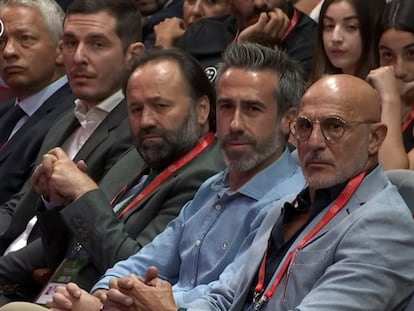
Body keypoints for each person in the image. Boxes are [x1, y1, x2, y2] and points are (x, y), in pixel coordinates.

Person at [2, 42, 307, 311]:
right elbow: (138, 263)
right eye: (226, 106)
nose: (235, 123)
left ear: (288, 120)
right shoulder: (210, 187)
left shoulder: (290, 202)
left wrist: (120, 303)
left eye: (253, 108)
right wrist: (105, 295)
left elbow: (227, 298)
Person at [101, 74, 414, 311]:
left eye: (334, 126)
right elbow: (224, 300)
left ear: (375, 138)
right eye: (305, 126)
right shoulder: (286, 205)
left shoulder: (384, 226)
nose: (315, 142)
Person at [0, 0, 145, 304]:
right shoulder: (68, 118)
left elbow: (83, 236)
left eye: (97, 44)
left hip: (57, 289)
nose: (78, 57)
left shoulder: (137, 130)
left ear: (133, 56)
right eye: (70, 43)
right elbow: (19, 206)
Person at [0, 0, 75, 205]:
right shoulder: (7, 112)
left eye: (25, 39)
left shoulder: (72, 115)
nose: (8, 51)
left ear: (61, 50)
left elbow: (20, 209)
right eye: (2, 41)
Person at [366, 0, 414, 170]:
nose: (399, 70)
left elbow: (394, 178)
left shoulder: (388, 98)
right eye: (387, 55)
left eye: (411, 53)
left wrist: (390, 99)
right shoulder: (372, 101)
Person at [308, 0, 385, 85]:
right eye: (329, 25)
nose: (335, 38)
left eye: (351, 27)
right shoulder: (317, 88)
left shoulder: (387, 92)